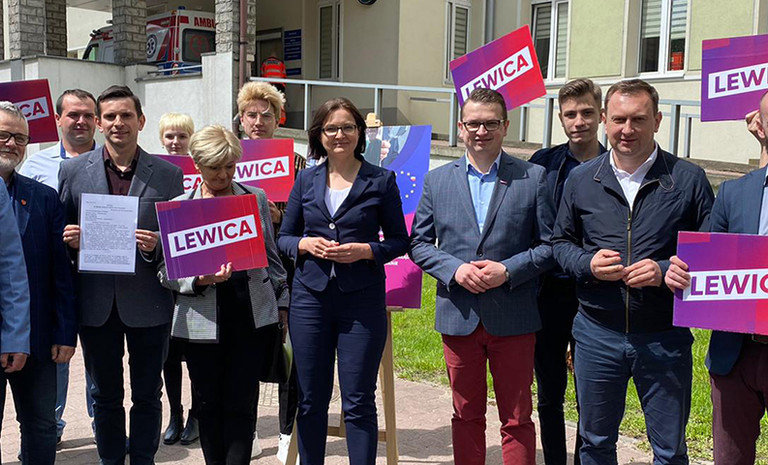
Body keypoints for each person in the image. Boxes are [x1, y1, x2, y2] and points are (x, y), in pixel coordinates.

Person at [552, 79, 714, 465]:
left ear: (657, 120)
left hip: (664, 336)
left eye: (638, 119)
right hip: (597, 334)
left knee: (670, 450)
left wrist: (664, 270)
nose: (627, 130)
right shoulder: (581, 179)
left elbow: (711, 252)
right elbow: (560, 244)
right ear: (604, 120)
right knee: (594, 443)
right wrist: (588, 264)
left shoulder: (688, 179)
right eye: (619, 119)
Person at [409, 88, 556, 465]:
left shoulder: (533, 177)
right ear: (460, 128)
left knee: (518, 417)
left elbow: (550, 246)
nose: (481, 131)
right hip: (459, 317)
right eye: (473, 123)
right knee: (465, 414)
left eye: (491, 123)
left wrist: (508, 270)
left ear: (505, 126)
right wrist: (454, 269)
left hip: (514, 315)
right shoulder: (437, 181)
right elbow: (419, 244)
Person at [277, 97, 408, 465]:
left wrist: (366, 251)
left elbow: (400, 240)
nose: (340, 135)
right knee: (311, 399)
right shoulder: (305, 179)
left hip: (361, 302)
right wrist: (304, 244)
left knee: (359, 400)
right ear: (319, 134)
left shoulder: (381, 180)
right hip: (310, 300)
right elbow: (284, 237)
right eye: (331, 128)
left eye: (348, 127)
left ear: (359, 133)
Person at [58, 85, 184, 465]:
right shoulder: (73, 171)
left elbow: (179, 242)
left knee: (148, 394)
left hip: (149, 304)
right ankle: (111, 460)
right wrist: (70, 241)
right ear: (99, 123)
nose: (118, 123)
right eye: (110, 116)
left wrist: (156, 245)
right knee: (105, 396)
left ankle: (143, 459)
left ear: (140, 121)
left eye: (126, 115)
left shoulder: (168, 175)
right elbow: (59, 236)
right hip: (96, 305)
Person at [159, 124, 289, 465]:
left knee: (242, 403)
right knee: (207, 402)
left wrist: (283, 303)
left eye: (229, 166)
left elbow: (272, 257)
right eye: (214, 167)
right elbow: (165, 272)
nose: (223, 174)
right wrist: (198, 280)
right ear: (197, 164)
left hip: (249, 315)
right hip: (201, 321)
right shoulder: (179, 207)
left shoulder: (254, 197)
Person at [665, 90, 768, 465]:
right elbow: (707, 265)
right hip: (734, 356)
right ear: (761, 128)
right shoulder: (734, 193)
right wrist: (682, 272)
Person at [528, 78, 605, 465]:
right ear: (560, 118)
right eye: (570, 114)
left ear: (601, 115)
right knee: (550, 392)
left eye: (587, 113)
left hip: (596, 291)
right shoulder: (542, 163)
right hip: (549, 292)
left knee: (591, 393)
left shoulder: (616, 164)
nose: (579, 121)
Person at [18, 88, 99, 443]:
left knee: (98, 361)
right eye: (73, 114)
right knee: (56, 356)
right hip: (50, 280)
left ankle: (102, 428)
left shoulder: (112, 163)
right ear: (57, 119)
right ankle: (50, 429)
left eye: (87, 115)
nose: (80, 121)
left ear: (96, 121)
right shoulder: (35, 166)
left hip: (98, 279)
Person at [237, 80, 305, 462]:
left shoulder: (296, 162)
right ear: (241, 118)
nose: (259, 122)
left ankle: (286, 431)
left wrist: (281, 218)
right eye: (252, 115)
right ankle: (247, 431)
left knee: (290, 355)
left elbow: (312, 214)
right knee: (247, 355)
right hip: (243, 272)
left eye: (266, 115)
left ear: (278, 120)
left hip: (287, 270)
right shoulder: (229, 157)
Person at [0, 102, 52, 462]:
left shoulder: (42, 196)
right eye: (3, 135)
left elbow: (13, 270)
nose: (11, 143)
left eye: (19, 138)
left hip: (30, 335)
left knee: (40, 425)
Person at [157, 112, 200, 446]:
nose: (175, 142)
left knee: (197, 354)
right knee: (169, 355)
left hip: (198, 267)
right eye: (170, 136)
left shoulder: (201, 172)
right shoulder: (155, 173)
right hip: (166, 275)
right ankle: (175, 414)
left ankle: (197, 415)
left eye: (181, 136)